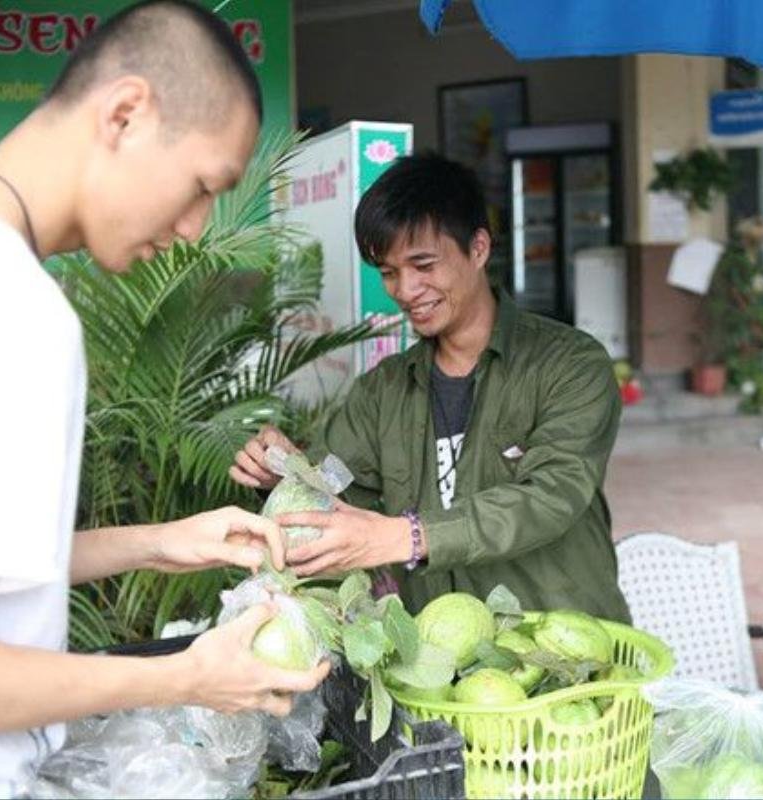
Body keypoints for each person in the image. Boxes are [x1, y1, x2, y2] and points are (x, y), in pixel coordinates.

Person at [0, 3, 328, 796]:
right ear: (125, 113)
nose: (195, 229)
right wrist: (184, 678)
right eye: (202, 186)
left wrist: (158, 541)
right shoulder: (10, 307)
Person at [230, 153, 630, 623]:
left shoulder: (570, 364)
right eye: (389, 272)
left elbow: (551, 495)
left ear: (478, 249)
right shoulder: (382, 391)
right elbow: (336, 498)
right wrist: (284, 474)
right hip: (438, 667)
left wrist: (408, 537)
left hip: (562, 651)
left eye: (423, 264)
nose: (405, 289)